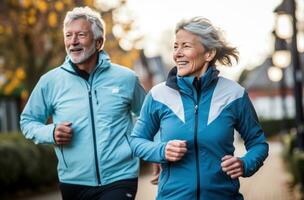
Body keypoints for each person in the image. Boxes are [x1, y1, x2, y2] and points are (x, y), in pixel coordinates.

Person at [130, 17, 269, 200]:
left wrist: (245, 164)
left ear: (209, 53)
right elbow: (136, 141)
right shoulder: (158, 95)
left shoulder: (234, 94)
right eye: (175, 46)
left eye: (185, 46)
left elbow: (258, 144)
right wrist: (161, 151)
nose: (177, 54)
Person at [20, 6, 146, 200]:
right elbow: (27, 121)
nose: (73, 41)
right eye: (68, 35)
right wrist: (51, 132)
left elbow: (147, 116)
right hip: (73, 181)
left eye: (81, 35)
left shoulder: (126, 78)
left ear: (99, 42)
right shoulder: (50, 81)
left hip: (120, 177)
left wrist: (136, 145)